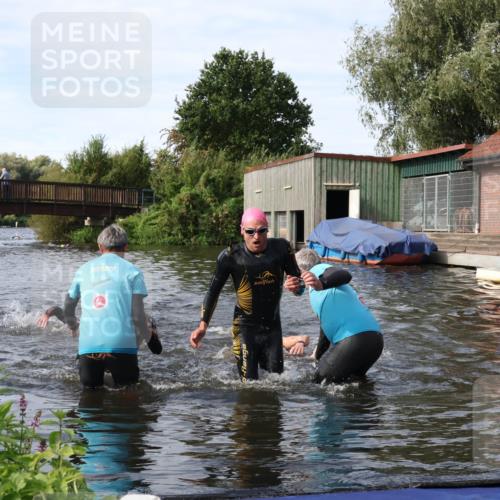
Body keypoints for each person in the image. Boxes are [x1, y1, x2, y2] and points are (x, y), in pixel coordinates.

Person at [189, 207, 303, 381]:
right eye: (250, 232)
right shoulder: (230, 256)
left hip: (272, 328)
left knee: (278, 383)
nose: (256, 237)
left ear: (267, 229)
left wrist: (297, 288)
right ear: (242, 231)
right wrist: (203, 325)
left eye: (261, 231)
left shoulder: (281, 248)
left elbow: (300, 284)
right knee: (248, 385)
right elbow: (213, 291)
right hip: (244, 328)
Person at [62, 224, 161, 389]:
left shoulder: (83, 270)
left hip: (88, 347)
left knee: (90, 403)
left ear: (100, 247)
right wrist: (152, 342)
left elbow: (68, 307)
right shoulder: (134, 272)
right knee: (128, 398)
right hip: (122, 347)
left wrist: (74, 326)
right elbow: (137, 316)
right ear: (126, 247)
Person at [286, 248, 383, 384]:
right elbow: (325, 331)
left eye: (293, 271)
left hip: (355, 339)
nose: (291, 276)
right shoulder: (322, 292)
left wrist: (321, 283)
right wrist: (317, 357)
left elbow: (345, 275)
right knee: (354, 386)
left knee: (320, 383)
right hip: (374, 341)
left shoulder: (320, 269)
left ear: (301, 269)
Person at [36, 305, 162, 353]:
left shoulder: (140, 323)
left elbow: (156, 348)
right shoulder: (82, 329)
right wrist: (46, 314)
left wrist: (151, 330)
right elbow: (59, 311)